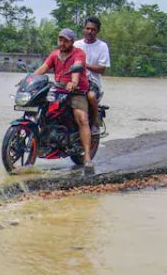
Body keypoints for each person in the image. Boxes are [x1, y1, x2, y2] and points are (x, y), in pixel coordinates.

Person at [33, 28, 94, 170]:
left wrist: (73, 82)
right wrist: (30, 78)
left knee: (82, 119)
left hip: (76, 91)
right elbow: (43, 68)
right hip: (57, 90)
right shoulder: (55, 54)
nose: (62, 43)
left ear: (72, 42)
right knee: (42, 111)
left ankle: (87, 157)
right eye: (60, 39)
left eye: (65, 40)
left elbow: (77, 68)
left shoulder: (78, 53)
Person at [73, 16, 110, 131]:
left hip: (92, 82)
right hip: (76, 80)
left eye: (93, 29)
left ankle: (95, 120)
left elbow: (102, 69)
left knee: (91, 96)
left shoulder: (102, 46)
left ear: (98, 31)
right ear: (83, 29)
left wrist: (84, 65)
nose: (89, 31)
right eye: (87, 28)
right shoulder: (76, 45)